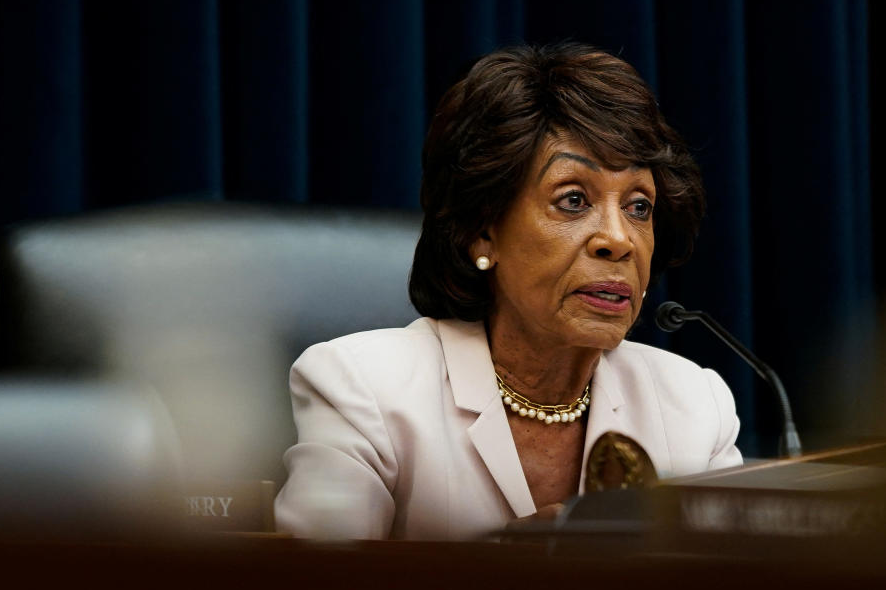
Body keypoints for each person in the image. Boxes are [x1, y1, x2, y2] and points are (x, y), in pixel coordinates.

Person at [275, 43, 742, 540]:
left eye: (639, 207)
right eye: (573, 200)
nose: (619, 240)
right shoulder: (364, 389)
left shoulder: (694, 404)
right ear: (483, 231)